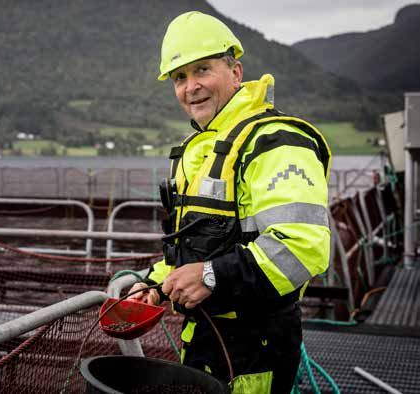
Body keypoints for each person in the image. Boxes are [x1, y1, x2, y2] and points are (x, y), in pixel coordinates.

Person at [128, 11, 332, 393]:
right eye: (179, 77)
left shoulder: (276, 142)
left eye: (202, 70)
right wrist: (153, 286)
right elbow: (195, 247)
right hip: (206, 338)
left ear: (235, 73)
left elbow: (304, 248)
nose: (191, 87)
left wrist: (211, 276)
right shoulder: (201, 150)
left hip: (256, 352)